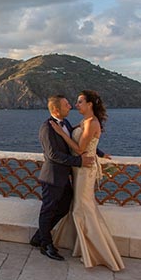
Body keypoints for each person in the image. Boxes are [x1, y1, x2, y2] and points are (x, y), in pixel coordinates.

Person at [50, 90, 125, 271]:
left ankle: (94, 251)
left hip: (85, 171)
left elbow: (81, 148)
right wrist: (100, 152)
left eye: (80, 102)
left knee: (81, 209)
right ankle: (82, 247)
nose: (76, 105)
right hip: (78, 170)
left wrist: (61, 133)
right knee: (81, 207)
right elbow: (89, 143)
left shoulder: (91, 122)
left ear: (90, 104)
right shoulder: (84, 122)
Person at [31, 95, 94, 261]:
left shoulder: (65, 124)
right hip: (52, 177)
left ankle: (39, 237)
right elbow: (52, 155)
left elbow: (77, 143)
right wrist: (79, 161)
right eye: (67, 105)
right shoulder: (46, 128)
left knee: (65, 206)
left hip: (64, 177)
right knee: (48, 210)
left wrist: (98, 152)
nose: (70, 107)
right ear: (56, 110)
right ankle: (46, 244)